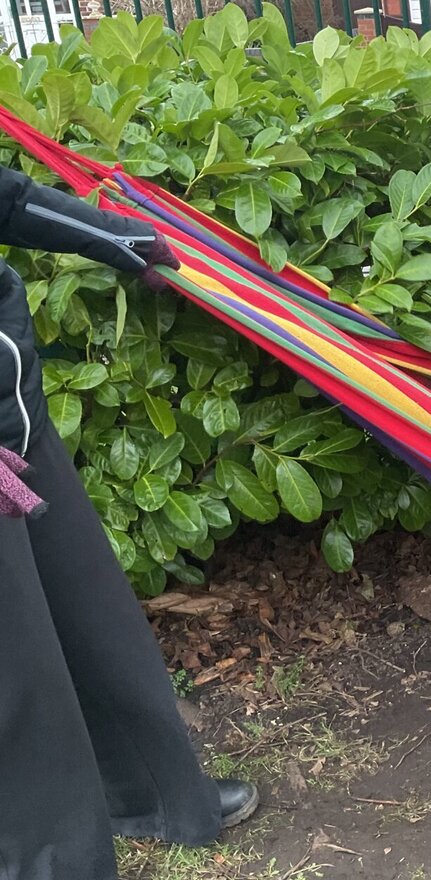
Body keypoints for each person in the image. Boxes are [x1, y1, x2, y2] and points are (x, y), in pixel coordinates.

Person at [1, 165, 257, 880]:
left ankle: (147, 795)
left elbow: (8, 199)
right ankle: (49, 862)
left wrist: (126, 240)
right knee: (12, 676)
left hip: (16, 418)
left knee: (92, 617)